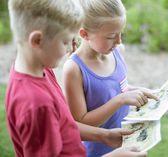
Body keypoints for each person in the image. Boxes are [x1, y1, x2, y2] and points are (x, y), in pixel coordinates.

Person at [5, 0, 147, 156]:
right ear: (37, 41)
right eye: (65, 41)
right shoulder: (37, 105)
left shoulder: (39, 69)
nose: (70, 48)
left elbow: (64, 124)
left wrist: (105, 136)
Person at [63, 0, 158, 156]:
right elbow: (81, 122)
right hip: (98, 151)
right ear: (84, 34)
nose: (119, 41)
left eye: (121, 33)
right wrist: (121, 100)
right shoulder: (74, 69)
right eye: (111, 36)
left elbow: (115, 88)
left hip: (126, 144)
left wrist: (139, 91)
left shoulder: (118, 51)